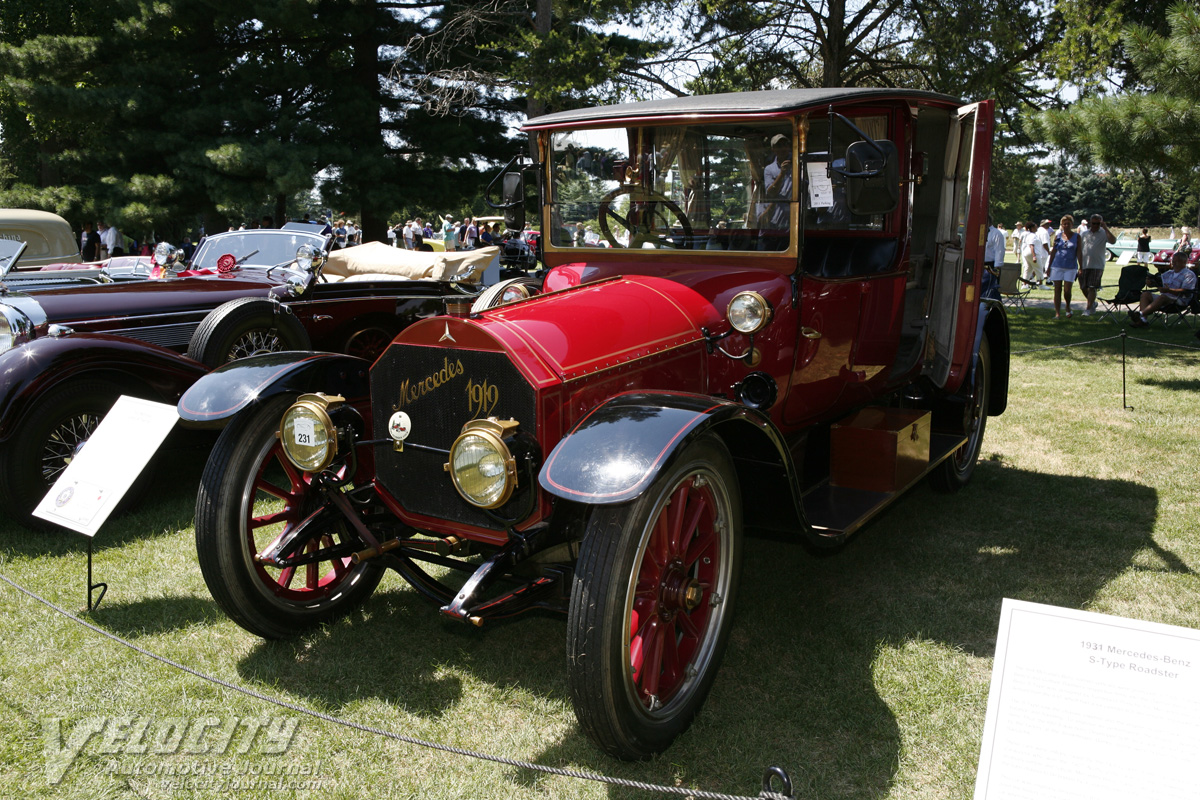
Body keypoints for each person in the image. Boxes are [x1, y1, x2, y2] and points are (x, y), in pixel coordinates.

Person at [1128, 250, 1196, 327]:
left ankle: (1140, 314)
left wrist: (1169, 290)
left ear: (1184, 262)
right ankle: (1142, 321)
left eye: (1177, 261)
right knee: (1145, 294)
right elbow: (1158, 283)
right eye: (1173, 261)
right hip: (1164, 298)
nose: (1174, 263)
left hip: (1180, 300)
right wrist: (1150, 283)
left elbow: (1186, 291)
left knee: (1163, 297)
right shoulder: (1169, 273)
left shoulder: (1189, 275)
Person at [1078, 213, 1116, 315]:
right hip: (1085, 264)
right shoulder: (1084, 234)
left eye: (1098, 223)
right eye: (1093, 223)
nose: (1095, 225)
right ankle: (1093, 303)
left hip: (1097, 265)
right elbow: (1079, 249)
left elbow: (1113, 241)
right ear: (1090, 223)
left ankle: (1088, 309)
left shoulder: (1104, 233)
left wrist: (1106, 228)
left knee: (1092, 287)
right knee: (1083, 287)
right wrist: (1080, 264)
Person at [1048, 214, 1082, 319]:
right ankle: (1057, 313)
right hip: (1057, 265)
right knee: (1057, 289)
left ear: (1072, 224)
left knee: (1067, 290)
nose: (1066, 226)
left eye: (1068, 224)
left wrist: (1081, 266)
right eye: (1064, 224)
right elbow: (1054, 251)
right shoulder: (1058, 236)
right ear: (1061, 225)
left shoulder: (1077, 237)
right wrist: (1049, 266)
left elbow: (1079, 252)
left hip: (1070, 267)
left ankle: (1067, 306)